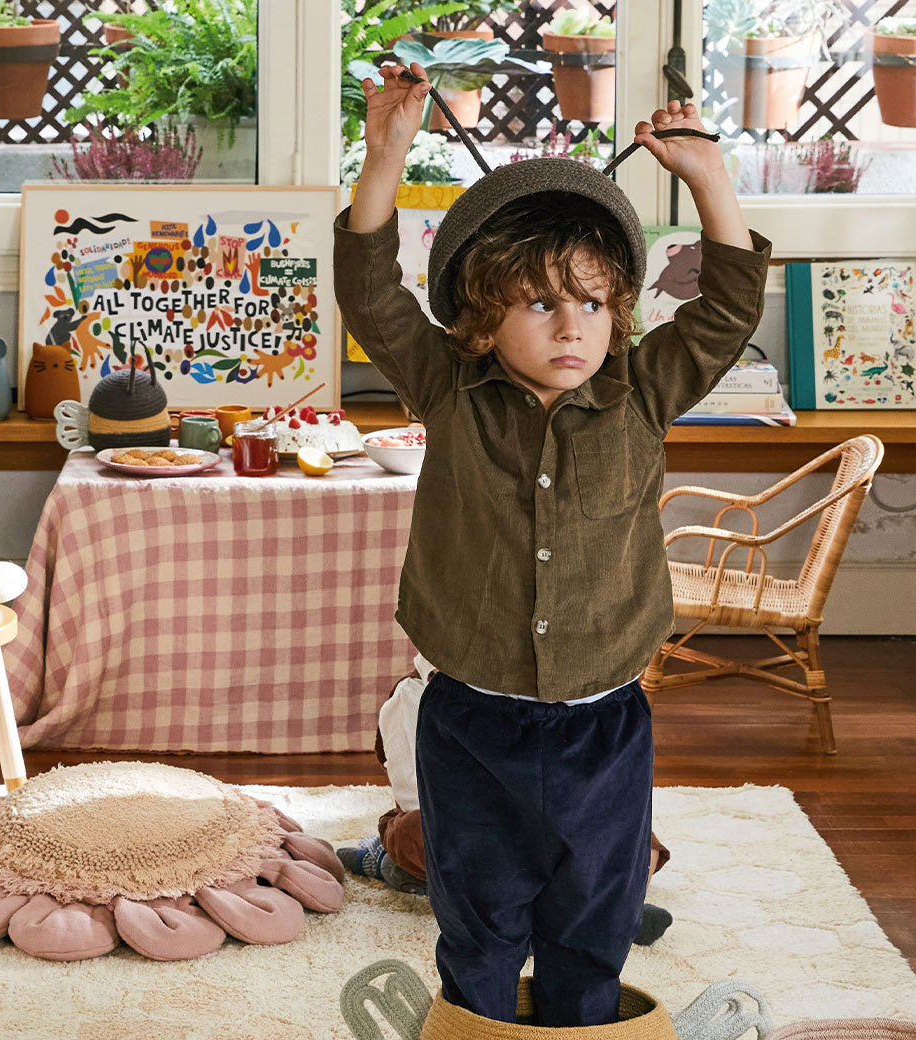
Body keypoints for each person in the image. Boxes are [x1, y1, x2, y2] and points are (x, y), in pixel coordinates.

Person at [334, 59, 770, 1028]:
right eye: (537, 303)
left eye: (590, 301)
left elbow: (728, 304)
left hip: (601, 720)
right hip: (469, 718)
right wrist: (385, 156)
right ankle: (476, 1018)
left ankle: (584, 1013)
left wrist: (706, 178)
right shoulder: (446, 392)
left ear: (617, 310)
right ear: (482, 325)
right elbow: (370, 293)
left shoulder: (643, 391)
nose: (571, 325)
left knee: (591, 919)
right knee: (478, 916)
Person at [337, 654, 674, 948]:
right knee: (416, 833)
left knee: (631, 833)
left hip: (539, 817)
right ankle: (389, 864)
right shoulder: (413, 699)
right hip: (468, 824)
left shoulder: (537, 693)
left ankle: (614, 907)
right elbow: (418, 800)